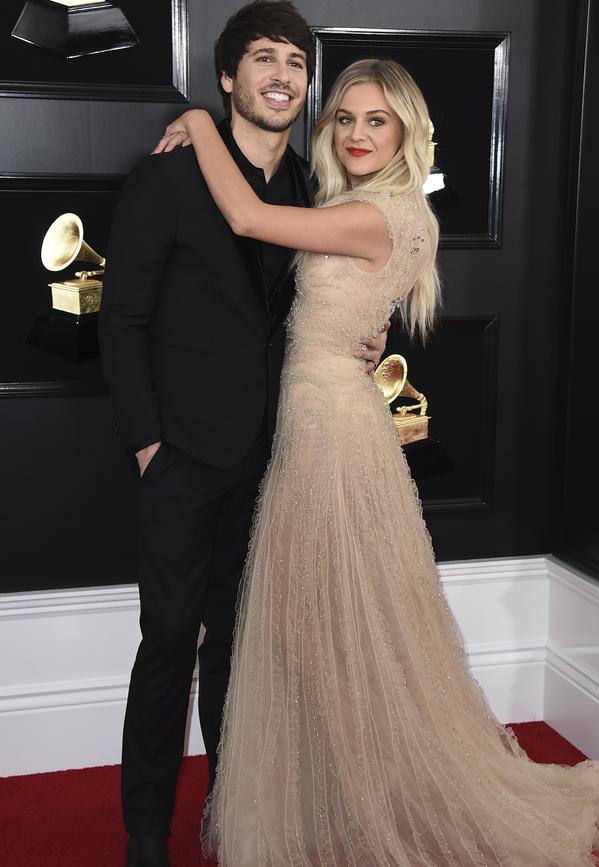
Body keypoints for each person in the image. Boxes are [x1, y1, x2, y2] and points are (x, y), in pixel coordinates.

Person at [155, 55, 599, 867]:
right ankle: (345, 793)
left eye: (374, 120)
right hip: (326, 422)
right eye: (344, 118)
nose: (355, 133)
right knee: (331, 626)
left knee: (334, 625)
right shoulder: (378, 207)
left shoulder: (380, 212)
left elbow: (244, 217)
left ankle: (357, 802)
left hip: (331, 438)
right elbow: (336, 302)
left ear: (406, 131)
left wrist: (202, 122)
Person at [97, 4, 387, 866]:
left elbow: (326, 300)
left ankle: (237, 807)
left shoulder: (309, 185)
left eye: (296, 63)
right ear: (228, 78)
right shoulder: (168, 178)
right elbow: (121, 322)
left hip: (276, 456)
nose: (282, 76)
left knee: (245, 642)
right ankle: (146, 832)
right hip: (182, 455)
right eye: (264, 58)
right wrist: (150, 444)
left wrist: (372, 338)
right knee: (169, 644)